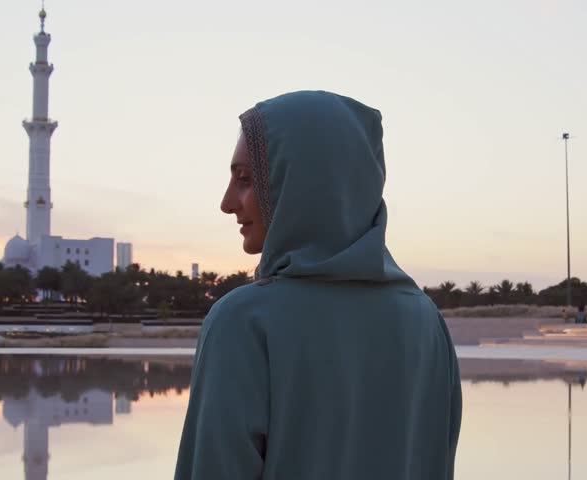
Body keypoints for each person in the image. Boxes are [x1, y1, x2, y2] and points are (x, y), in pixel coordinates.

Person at [175, 91, 462, 479]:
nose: (228, 202)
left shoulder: (244, 322)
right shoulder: (426, 322)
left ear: (300, 182)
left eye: (245, 179)